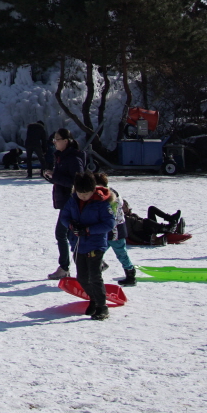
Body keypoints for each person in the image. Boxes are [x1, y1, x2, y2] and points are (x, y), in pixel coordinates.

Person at [58, 174, 117, 320]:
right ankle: (94, 299)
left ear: (93, 190)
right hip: (78, 245)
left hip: (95, 245)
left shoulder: (102, 204)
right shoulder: (72, 201)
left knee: (95, 276)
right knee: (82, 278)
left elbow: (109, 224)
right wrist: (72, 225)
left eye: (86, 194)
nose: (83, 197)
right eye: (80, 194)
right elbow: (64, 216)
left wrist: (88, 230)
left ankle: (102, 307)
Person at [44, 130, 87, 279]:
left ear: (66, 141)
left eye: (57, 139)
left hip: (71, 202)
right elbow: (62, 179)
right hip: (65, 201)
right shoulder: (62, 157)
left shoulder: (73, 158)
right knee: (70, 235)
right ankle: (94, 262)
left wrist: (55, 176)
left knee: (61, 234)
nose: (54, 142)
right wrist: (52, 177)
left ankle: (64, 267)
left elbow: (77, 182)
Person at [92, 172, 138, 287]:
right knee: (96, 251)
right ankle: (97, 269)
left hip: (115, 229)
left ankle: (130, 274)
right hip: (106, 230)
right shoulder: (103, 194)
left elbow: (111, 213)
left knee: (120, 252)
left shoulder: (109, 195)